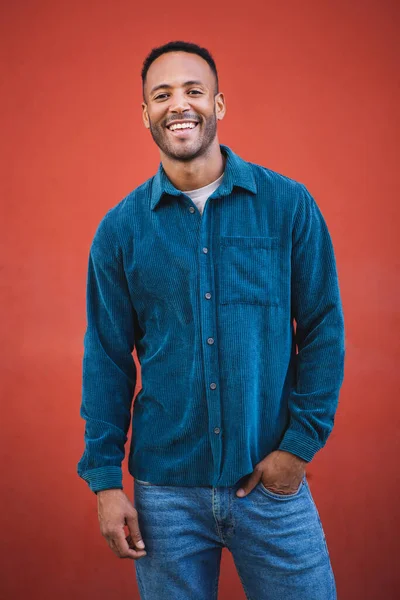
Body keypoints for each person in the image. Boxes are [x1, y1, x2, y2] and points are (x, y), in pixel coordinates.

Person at [77, 40, 345, 600]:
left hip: (269, 485)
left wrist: (298, 448)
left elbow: (322, 328)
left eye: (193, 91)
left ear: (219, 105)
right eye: (162, 94)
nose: (179, 105)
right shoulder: (119, 231)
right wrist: (105, 482)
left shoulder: (288, 205)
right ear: (144, 113)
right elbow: (106, 357)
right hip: (165, 498)